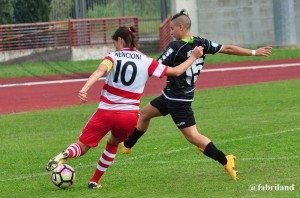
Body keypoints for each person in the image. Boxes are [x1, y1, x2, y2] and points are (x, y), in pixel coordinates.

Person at [120, 9, 273, 181]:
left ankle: (225, 159)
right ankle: (127, 144)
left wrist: (137, 56)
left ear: (181, 27)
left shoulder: (175, 47)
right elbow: (228, 48)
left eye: (172, 29)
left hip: (177, 100)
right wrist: (254, 52)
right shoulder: (201, 43)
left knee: (193, 136)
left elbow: (156, 67)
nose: (170, 32)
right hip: (171, 96)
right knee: (146, 113)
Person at [46, 26, 204, 189]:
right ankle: (94, 181)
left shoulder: (112, 57)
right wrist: (193, 56)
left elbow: (100, 71)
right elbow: (177, 71)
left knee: (82, 146)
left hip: (106, 112)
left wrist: (85, 89)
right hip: (128, 117)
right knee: (113, 144)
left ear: (120, 40)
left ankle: (65, 154)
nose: (114, 46)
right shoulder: (147, 61)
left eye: (114, 42)